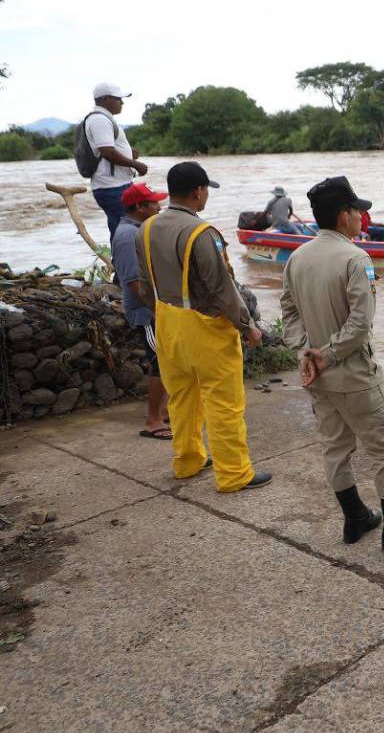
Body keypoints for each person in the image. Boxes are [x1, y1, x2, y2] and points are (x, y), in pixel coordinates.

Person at [282, 176, 384, 552]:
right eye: (358, 211)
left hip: (316, 376)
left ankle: (355, 518)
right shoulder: (356, 258)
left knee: (335, 447)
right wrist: (329, 353)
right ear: (344, 217)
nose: (362, 217)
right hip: (353, 373)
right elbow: (359, 322)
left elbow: (288, 310)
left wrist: (304, 352)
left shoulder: (297, 257)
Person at [134, 161, 271, 493]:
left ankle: (188, 460)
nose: (206, 195)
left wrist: (162, 315)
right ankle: (234, 474)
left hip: (167, 323)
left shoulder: (146, 228)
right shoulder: (202, 233)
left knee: (181, 398)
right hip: (205, 329)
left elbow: (142, 286)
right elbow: (221, 289)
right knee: (224, 403)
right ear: (198, 191)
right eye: (206, 189)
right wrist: (248, 326)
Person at [112, 182, 170, 440]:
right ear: (139, 206)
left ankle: (165, 411)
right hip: (146, 311)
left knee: (168, 360)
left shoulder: (140, 229)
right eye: (153, 203)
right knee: (160, 363)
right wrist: (157, 310)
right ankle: (153, 421)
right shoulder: (127, 235)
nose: (158, 206)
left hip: (155, 307)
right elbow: (133, 281)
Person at [83, 83, 147, 242]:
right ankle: (123, 265)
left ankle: (121, 264)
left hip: (116, 185)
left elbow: (107, 150)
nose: (122, 103)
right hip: (112, 187)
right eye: (119, 99)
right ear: (106, 99)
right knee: (125, 232)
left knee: (121, 229)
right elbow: (107, 152)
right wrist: (135, 164)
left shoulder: (103, 119)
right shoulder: (100, 120)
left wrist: (129, 154)